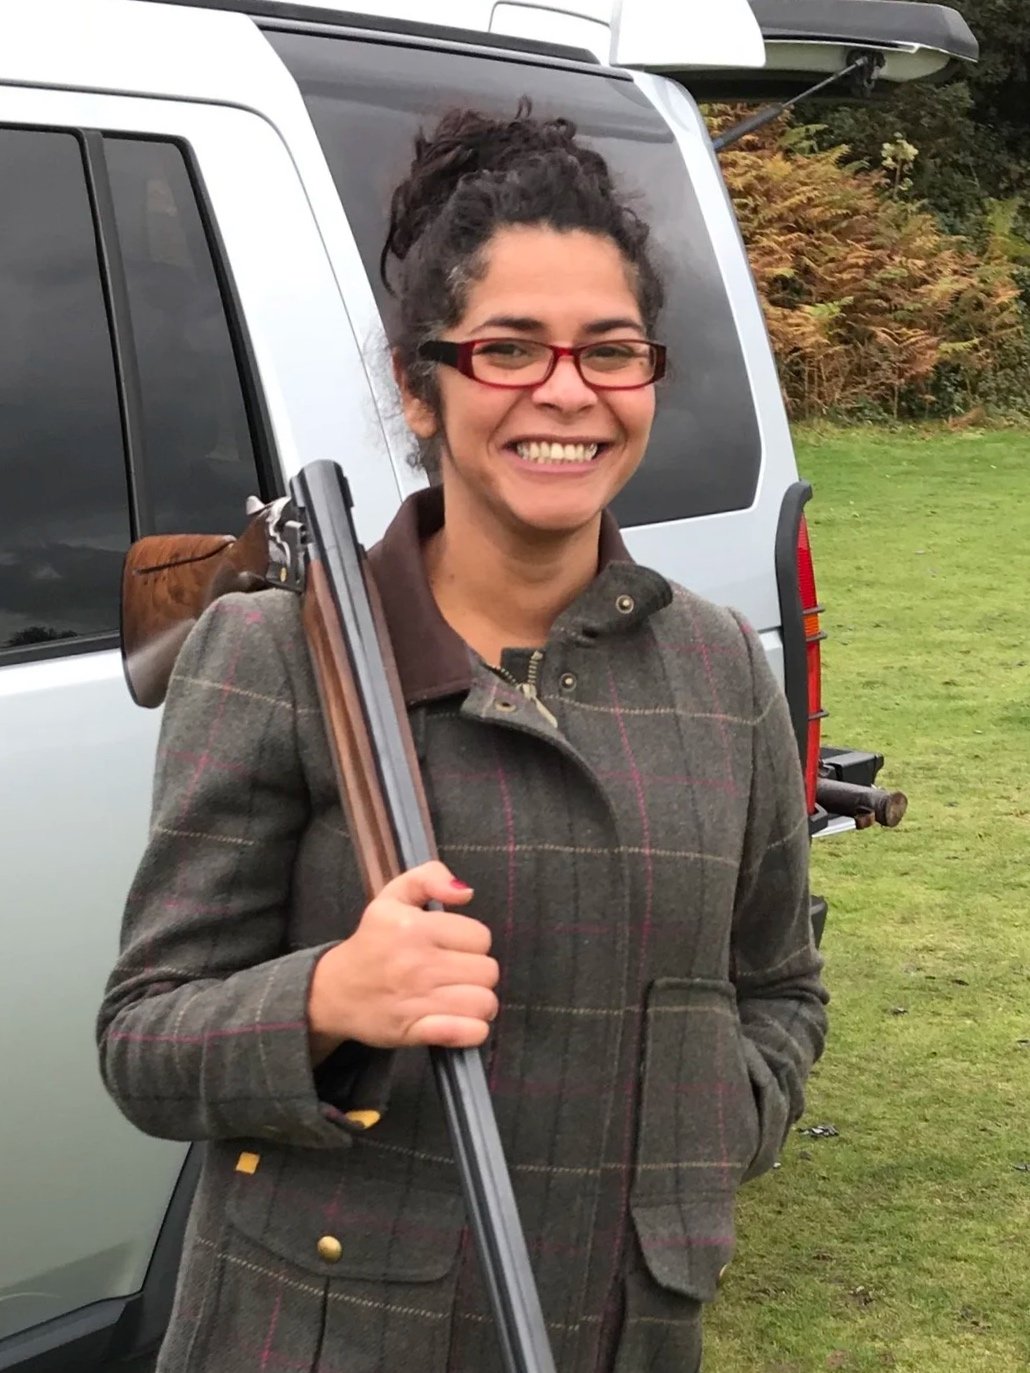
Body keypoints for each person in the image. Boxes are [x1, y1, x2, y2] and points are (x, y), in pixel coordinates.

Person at [97, 101, 828, 1373]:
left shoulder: (720, 669)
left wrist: (708, 1126)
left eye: (611, 351)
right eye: (508, 348)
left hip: (619, 1331)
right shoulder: (278, 653)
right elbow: (146, 1038)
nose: (567, 391)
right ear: (417, 385)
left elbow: (777, 987)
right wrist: (329, 996)